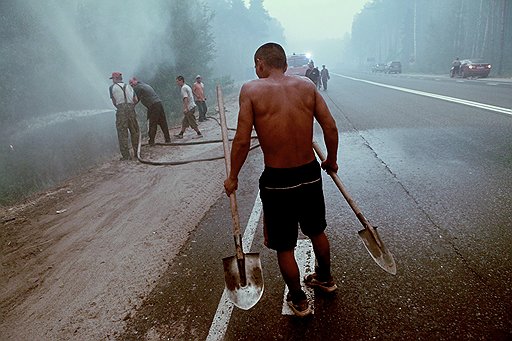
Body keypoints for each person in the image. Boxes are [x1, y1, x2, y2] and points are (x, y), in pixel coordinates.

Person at [224, 42, 339, 317]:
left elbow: (241, 141)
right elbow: (330, 127)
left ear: (260, 63)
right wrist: (331, 160)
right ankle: (326, 278)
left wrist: (233, 177)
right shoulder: (307, 86)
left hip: (278, 180)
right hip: (310, 173)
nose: (256, 69)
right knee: (316, 231)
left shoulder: (251, 90)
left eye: (256, 65)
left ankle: (298, 299)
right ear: (285, 64)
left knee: (285, 245)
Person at [129, 77, 171, 145]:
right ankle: (167, 139)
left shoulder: (137, 87)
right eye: (130, 83)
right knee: (163, 122)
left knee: (152, 123)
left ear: (135, 80)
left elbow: (136, 100)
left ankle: (151, 141)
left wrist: (130, 107)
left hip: (153, 105)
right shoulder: (143, 84)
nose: (131, 84)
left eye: (131, 82)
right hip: (158, 103)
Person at [108, 72, 140, 160]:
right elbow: (136, 100)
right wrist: (130, 107)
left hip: (121, 111)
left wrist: (121, 108)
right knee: (135, 131)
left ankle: (126, 156)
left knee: (122, 133)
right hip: (131, 109)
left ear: (115, 79)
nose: (112, 81)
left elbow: (114, 102)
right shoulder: (129, 86)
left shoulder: (112, 88)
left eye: (113, 79)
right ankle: (137, 153)